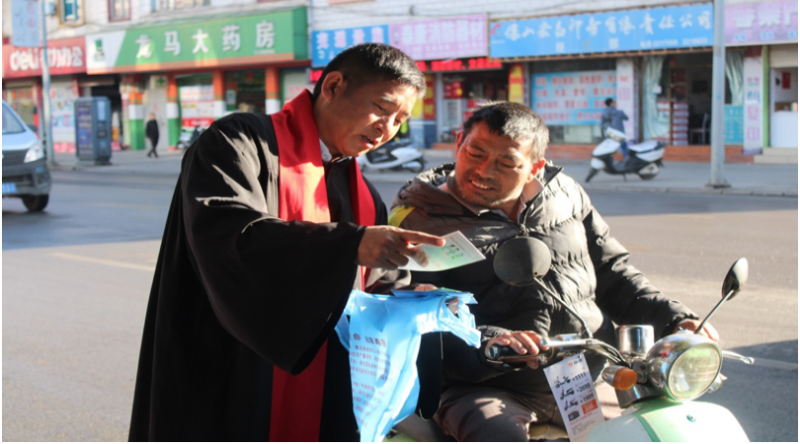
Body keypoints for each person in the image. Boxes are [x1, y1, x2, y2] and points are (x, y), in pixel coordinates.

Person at [128, 43, 446, 441]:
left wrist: (419, 297)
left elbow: (374, 283)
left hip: (327, 376)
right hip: (232, 366)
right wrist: (351, 243)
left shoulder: (363, 192)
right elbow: (231, 235)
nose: (388, 129)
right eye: (382, 108)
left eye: (401, 120)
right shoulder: (239, 142)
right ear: (332, 86)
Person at [389, 102, 718, 442]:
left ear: (535, 167)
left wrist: (675, 319)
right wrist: (490, 342)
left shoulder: (565, 195)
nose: (484, 171)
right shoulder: (418, 219)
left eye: (507, 163)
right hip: (482, 387)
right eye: (475, 152)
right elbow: (415, 317)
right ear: (459, 143)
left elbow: (612, 273)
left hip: (584, 375)